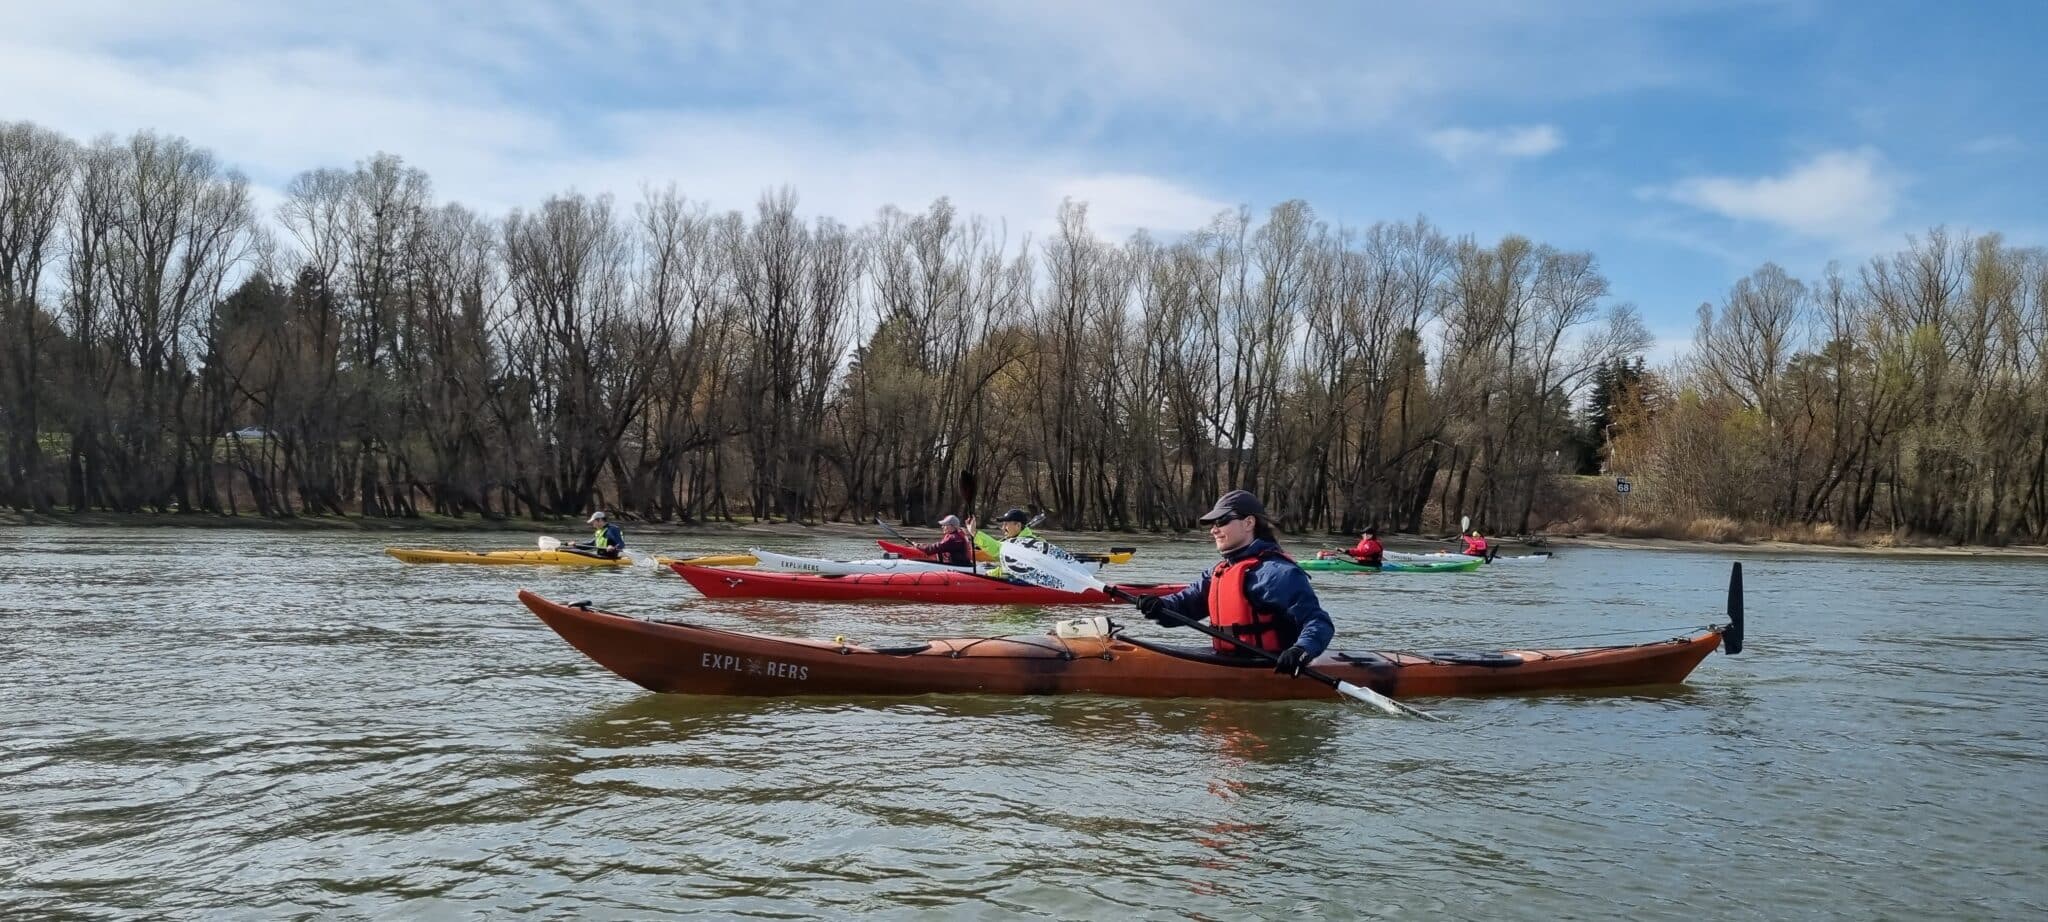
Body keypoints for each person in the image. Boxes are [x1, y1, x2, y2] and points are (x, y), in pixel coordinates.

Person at [1133, 490, 1335, 676]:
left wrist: (1301, 651)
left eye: (1222, 521)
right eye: (1213, 524)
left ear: (1248, 523)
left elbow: (1318, 622)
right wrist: (1159, 605)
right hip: (1229, 660)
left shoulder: (1277, 573)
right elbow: (1184, 604)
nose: (1214, 530)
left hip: (1274, 668)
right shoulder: (1219, 572)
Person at [966, 507, 1062, 578]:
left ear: (1018, 525)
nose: (1003, 528)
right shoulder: (1022, 541)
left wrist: (974, 533)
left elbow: (998, 551)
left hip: (1023, 585)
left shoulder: (1026, 544)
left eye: (1006, 524)